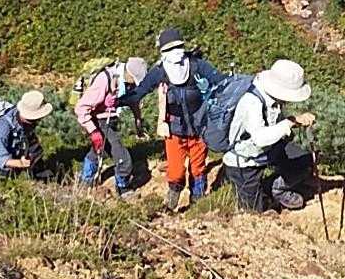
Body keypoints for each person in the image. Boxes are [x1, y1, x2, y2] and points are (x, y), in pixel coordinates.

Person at [118, 28, 224, 210]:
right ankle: (171, 201)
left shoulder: (197, 65)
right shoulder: (159, 72)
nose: (176, 53)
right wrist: (117, 102)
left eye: (178, 47)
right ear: (163, 52)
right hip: (174, 129)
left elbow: (220, 81)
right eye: (170, 49)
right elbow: (139, 92)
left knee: (198, 168)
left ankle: (197, 204)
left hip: (200, 127)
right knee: (175, 171)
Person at [224, 58, 316, 213]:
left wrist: (293, 122)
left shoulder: (272, 98)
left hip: (267, 150)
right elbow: (260, 138)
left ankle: (275, 188)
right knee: (254, 211)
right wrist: (290, 122)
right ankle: (266, 191)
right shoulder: (252, 102)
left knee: (304, 160)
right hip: (245, 161)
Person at [75, 56, 146, 194]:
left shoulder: (126, 81)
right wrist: (93, 132)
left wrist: (138, 120)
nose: (135, 85)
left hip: (110, 119)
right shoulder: (104, 79)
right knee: (122, 158)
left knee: (98, 150)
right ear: (129, 73)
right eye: (135, 81)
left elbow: (133, 100)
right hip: (99, 120)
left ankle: (85, 181)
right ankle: (123, 188)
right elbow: (81, 108)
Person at [0, 91, 53, 176]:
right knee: (5, 171)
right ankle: (6, 177)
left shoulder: (23, 120)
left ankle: (39, 174)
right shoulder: (3, 126)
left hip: (17, 143)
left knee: (35, 148)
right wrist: (20, 163)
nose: (39, 120)